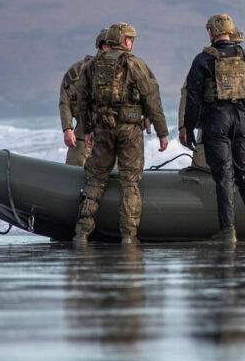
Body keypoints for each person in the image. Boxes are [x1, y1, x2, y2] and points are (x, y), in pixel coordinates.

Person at [73, 22, 169, 246]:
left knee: (95, 179)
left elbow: (83, 99)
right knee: (130, 182)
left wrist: (88, 129)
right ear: (126, 41)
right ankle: (128, 235)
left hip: (102, 128)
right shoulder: (136, 64)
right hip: (130, 129)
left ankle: (82, 231)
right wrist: (162, 132)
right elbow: (152, 99)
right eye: (131, 39)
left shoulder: (92, 65)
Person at [180, 15, 245, 243]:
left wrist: (187, 128)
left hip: (216, 120)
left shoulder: (203, 60)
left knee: (224, 176)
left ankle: (228, 231)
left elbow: (193, 99)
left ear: (212, 33)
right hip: (242, 121)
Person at [177, 28, 244, 171]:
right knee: (204, 169)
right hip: (221, 126)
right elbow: (189, 93)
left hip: (227, 127)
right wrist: (184, 126)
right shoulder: (208, 62)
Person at [60, 29, 107, 166]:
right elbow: (65, 101)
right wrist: (67, 129)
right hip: (82, 135)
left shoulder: (126, 69)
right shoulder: (78, 70)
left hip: (111, 138)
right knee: (75, 174)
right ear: (104, 46)